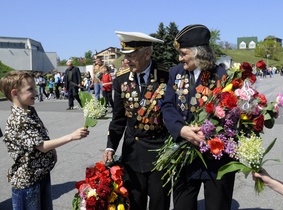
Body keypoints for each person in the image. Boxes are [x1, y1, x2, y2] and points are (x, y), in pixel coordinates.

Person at [161, 24, 235, 210]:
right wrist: (181, 129)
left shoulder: (222, 76)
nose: (180, 58)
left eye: (184, 53)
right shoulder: (175, 73)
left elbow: (232, 115)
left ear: (199, 53)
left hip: (216, 158)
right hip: (183, 155)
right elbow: (168, 105)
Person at [0, 70, 89, 210]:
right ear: (14, 93)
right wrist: (72, 136)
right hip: (28, 182)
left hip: (39, 174)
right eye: (30, 89)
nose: (35, 93)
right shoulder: (18, 119)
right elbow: (41, 146)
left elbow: (40, 138)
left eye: (35, 88)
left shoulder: (28, 111)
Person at [103, 31, 170, 210]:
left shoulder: (166, 75)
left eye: (131, 56)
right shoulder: (121, 79)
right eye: (125, 56)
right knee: (134, 202)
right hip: (133, 152)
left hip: (159, 152)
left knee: (159, 202)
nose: (126, 61)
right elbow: (118, 118)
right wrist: (111, 146)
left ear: (147, 53)